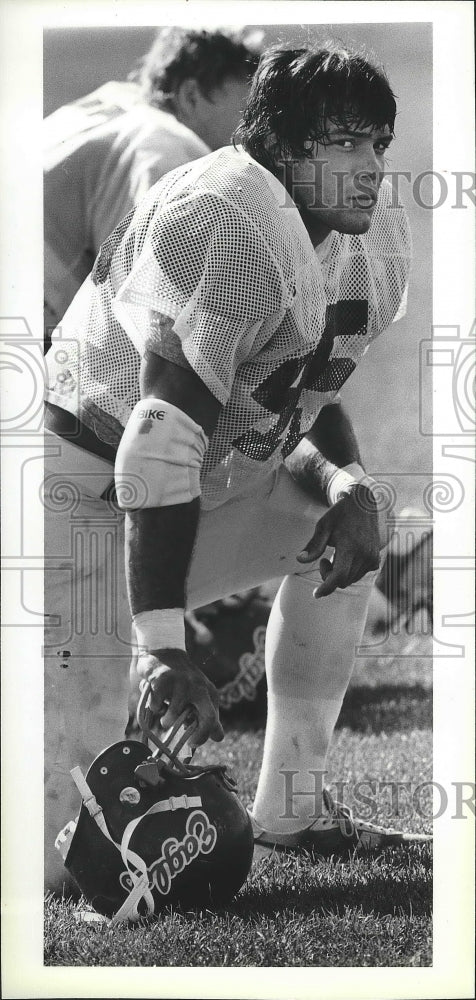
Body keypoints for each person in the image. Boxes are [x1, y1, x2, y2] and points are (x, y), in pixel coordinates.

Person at [44, 42, 429, 895]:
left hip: (196, 483)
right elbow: (156, 443)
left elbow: (305, 391)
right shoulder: (225, 219)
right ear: (287, 146)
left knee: (349, 524)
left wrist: (348, 483)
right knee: (66, 865)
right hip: (78, 496)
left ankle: (292, 805)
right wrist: (164, 650)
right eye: (346, 144)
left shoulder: (368, 234)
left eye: (379, 143)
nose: (372, 169)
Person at [43, 27, 260, 342]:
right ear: (191, 96)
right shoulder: (166, 144)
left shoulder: (105, 106)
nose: (253, 130)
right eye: (247, 112)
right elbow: (144, 296)